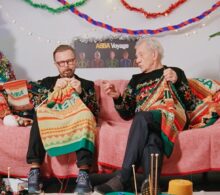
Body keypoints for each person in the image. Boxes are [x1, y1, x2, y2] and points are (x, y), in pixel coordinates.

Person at [94, 38, 196, 194]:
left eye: (140, 55)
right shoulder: (136, 80)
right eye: (136, 56)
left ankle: (124, 177)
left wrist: (176, 80)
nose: (137, 59)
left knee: (141, 117)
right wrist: (116, 97)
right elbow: (127, 114)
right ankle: (151, 184)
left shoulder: (173, 72)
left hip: (171, 117)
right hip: (150, 122)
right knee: (152, 137)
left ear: (154, 55)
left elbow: (190, 104)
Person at [26, 45, 99, 194]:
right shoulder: (47, 82)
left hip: (76, 120)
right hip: (53, 120)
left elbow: (94, 113)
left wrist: (81, 93)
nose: (66, 66)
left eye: (70, 61)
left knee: (85, 117)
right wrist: (52, 91)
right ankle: (34, 171)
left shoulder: (87, 84)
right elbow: (35, 105)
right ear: (56, 64)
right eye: (62, 63)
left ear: (76, 61)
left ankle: (84, 173)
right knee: (39, 115)